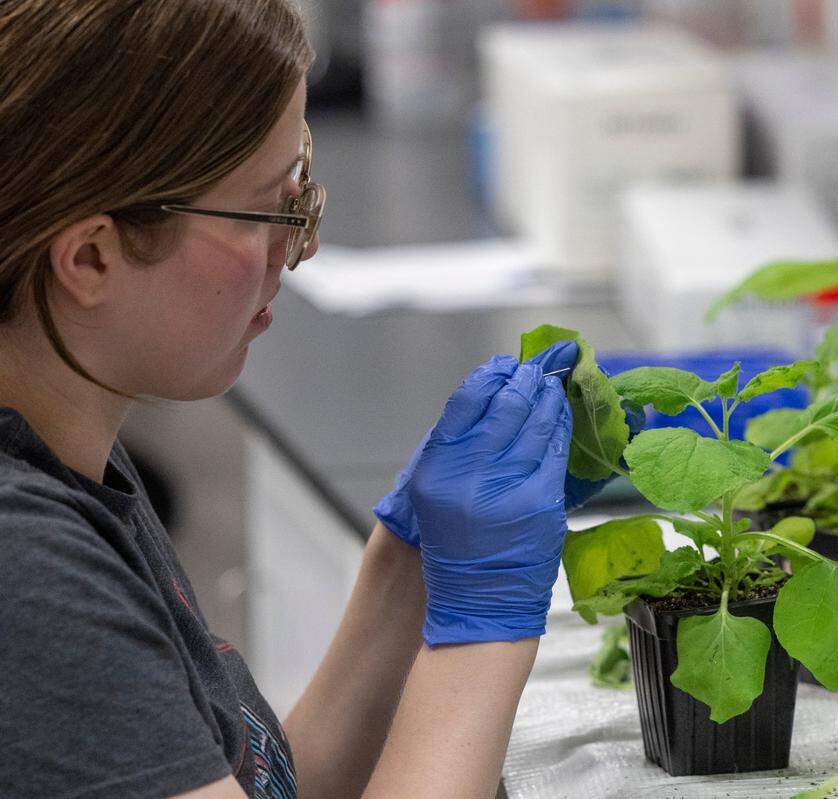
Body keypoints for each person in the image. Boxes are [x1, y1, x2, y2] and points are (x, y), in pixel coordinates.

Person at [0, 2, 615, 797]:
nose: (299, 247)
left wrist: (409, 571)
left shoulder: (63, 432)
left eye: (300, 190)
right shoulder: (26, 569)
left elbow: (262, 784)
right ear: (89, 258)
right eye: (266, 209)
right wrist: (483, 633)